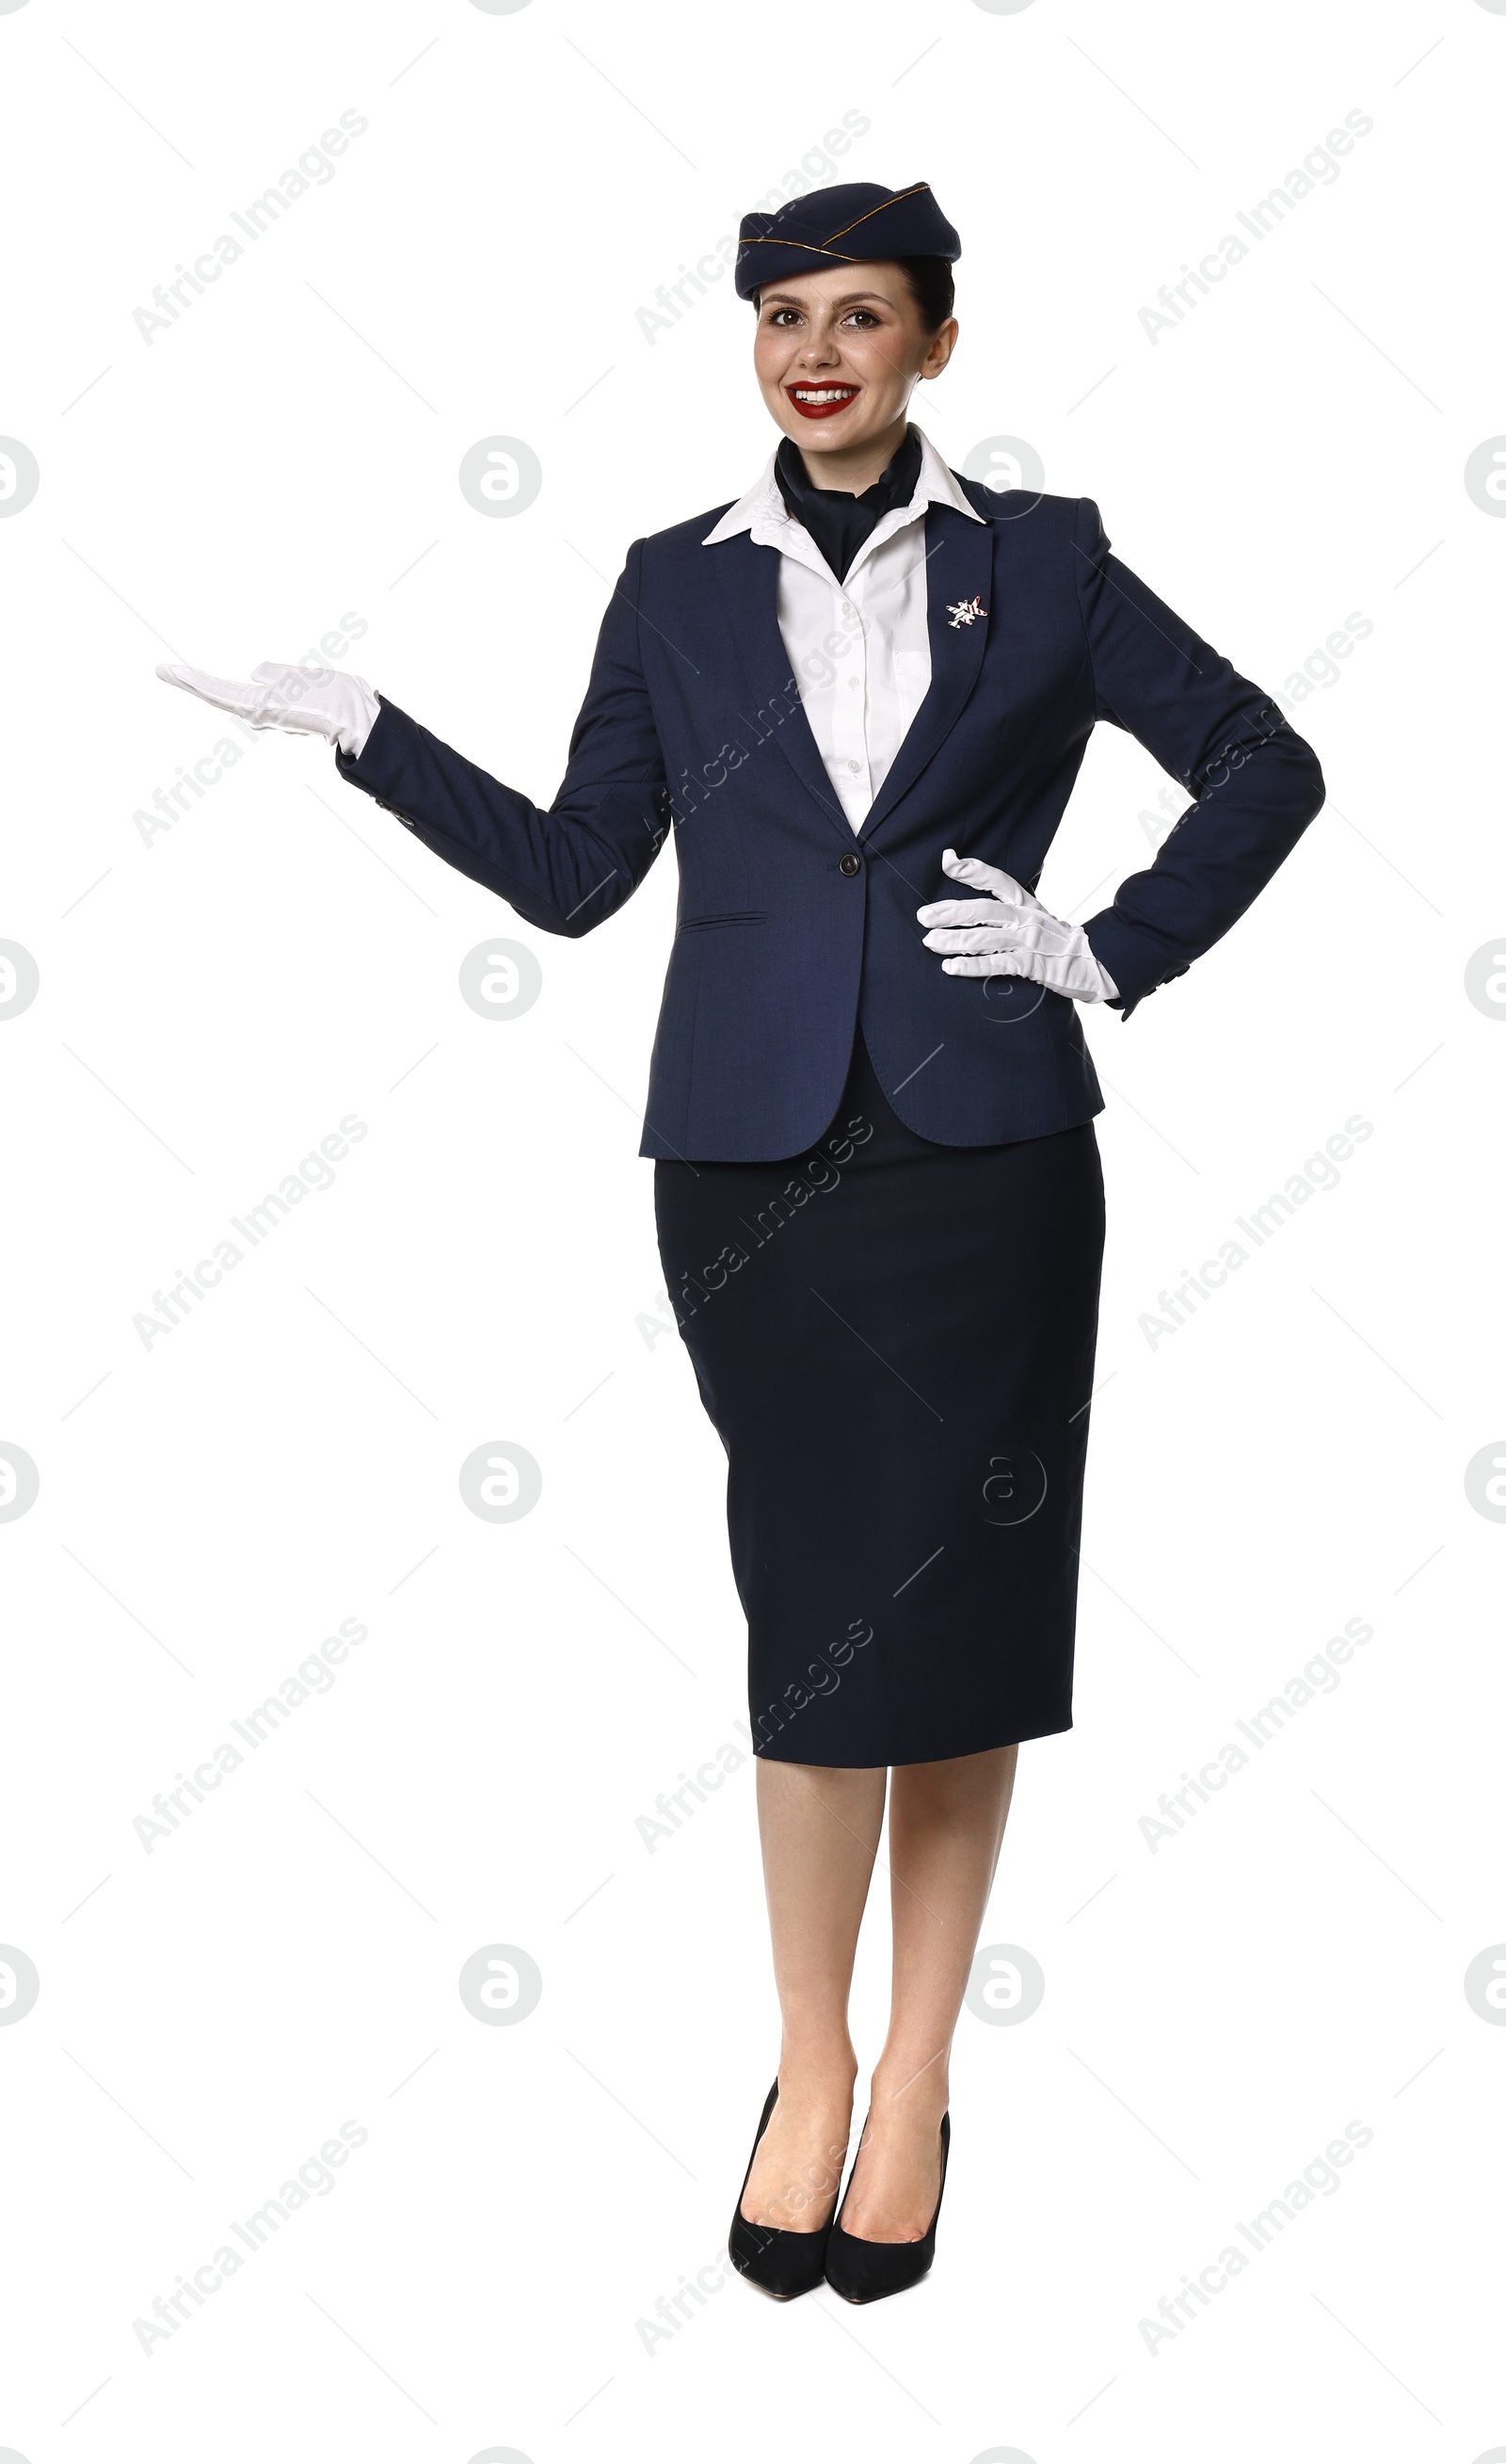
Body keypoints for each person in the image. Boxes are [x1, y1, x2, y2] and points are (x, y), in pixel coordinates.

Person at [158, 178, 1324, 2306]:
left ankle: (916, 2084)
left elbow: (1267, 757)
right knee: (813, 1622)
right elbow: (584, 870)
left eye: (860, 313)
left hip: (985, 1161)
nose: (815, 347)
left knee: (963, 1614)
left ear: (930, 346)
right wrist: (366, 737)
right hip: (751, 1173)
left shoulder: (1045, 564)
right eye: (783, 313)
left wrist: (1107, 943)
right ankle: (807, 2058)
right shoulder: (668, 591)